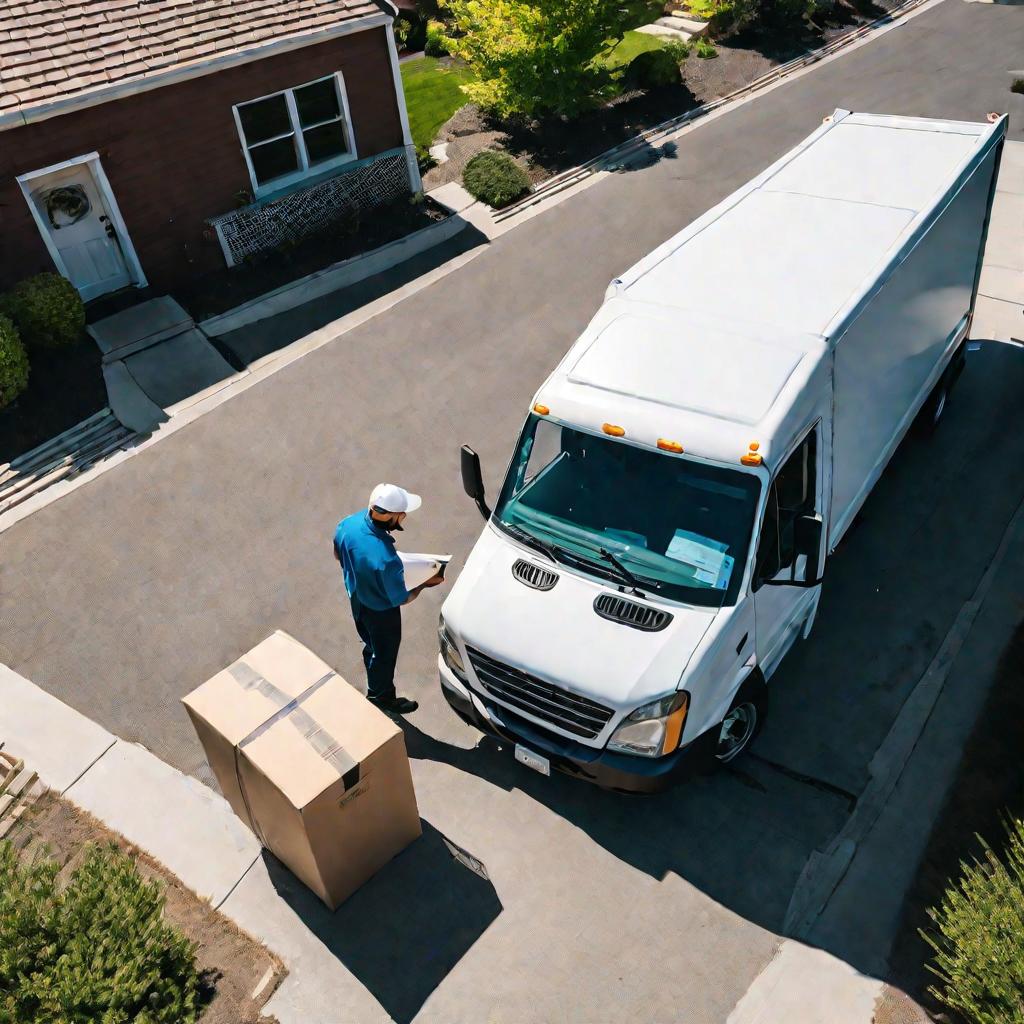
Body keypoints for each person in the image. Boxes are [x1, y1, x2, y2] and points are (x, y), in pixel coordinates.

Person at [333, 483, 444, 714]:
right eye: (401, 515)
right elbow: (401, 598)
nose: (403, 518)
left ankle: (372, 663)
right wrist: (426, 582)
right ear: (391, 516)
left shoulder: (347, 524)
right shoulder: (386, 559)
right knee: (384, 653)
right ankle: (380, 697)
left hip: (357, 598)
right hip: (380, 613)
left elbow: (338, 553)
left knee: (370, 644)